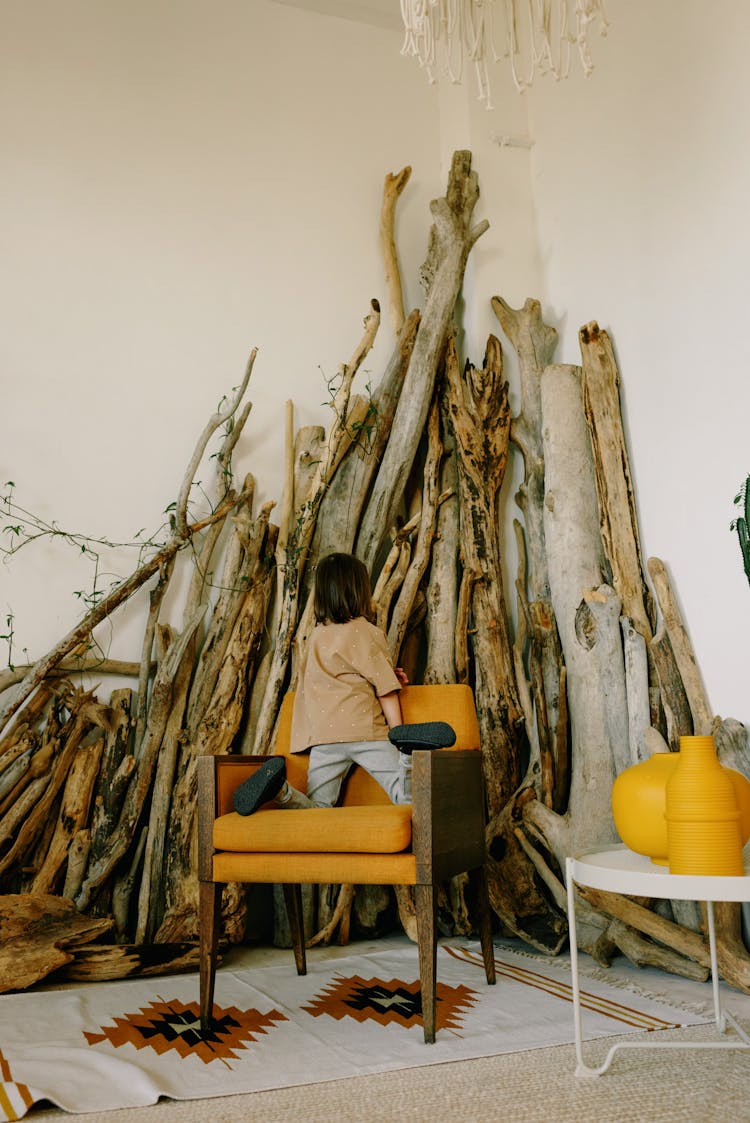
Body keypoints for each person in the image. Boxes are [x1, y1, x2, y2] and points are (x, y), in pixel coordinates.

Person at [233, 552, 454, 816]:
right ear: (359, 592)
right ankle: (409, 751)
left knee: (319, 807)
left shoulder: (315, 637)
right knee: (406, 798)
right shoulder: (365, 631)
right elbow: (384, 688)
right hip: (365, 731)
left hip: (325, 737)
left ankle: (282, 792)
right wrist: (399, 733)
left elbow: (318, 683)